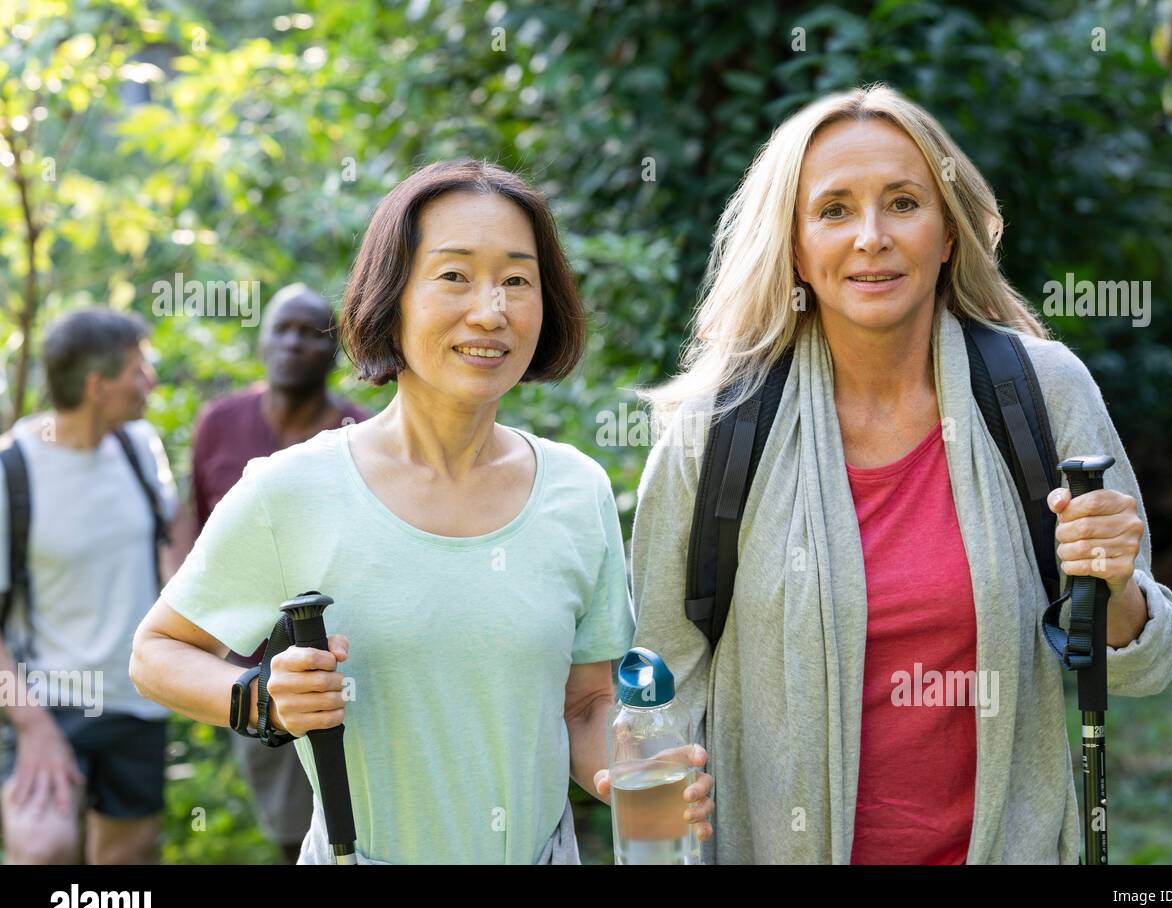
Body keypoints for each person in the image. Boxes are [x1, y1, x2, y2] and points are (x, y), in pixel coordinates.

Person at [632, 84, 1172, 864]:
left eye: (902, 203)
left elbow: (1145, 665)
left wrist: (1116, 583)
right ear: (794, 246)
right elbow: (658, 693)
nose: (871, 238)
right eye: (833, 211)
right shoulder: (716, 432)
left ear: (948, 234)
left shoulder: (1042, 391)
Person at [131, 159, 716, 863]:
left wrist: (626, 773)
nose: (491, 310)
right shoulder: (292, 490)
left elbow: (585, 701)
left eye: (517, 280)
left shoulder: (575, 489)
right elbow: (156, 653)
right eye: (454, 275)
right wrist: (259, 700)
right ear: (392, 297)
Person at [182, 282, 371, 864]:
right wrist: (200, 646)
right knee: (293, 831)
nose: (292, 343)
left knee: (359, 822)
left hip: (343, 670)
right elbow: (186, 534)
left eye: (308, 332)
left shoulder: (358, 436)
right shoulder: (221, 422)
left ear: (334, 351)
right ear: (262, 341)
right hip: (253, 676)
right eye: (280, 329)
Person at [0, 308, 180, 864]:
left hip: (137, 700)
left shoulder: (139, 447)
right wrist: (32, 726)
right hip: (46, 700)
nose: (149, 381)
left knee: (125, 866)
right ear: (98, 387)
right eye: (137, 370)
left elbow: (167, 558)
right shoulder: (12, 469)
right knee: (42, 849)